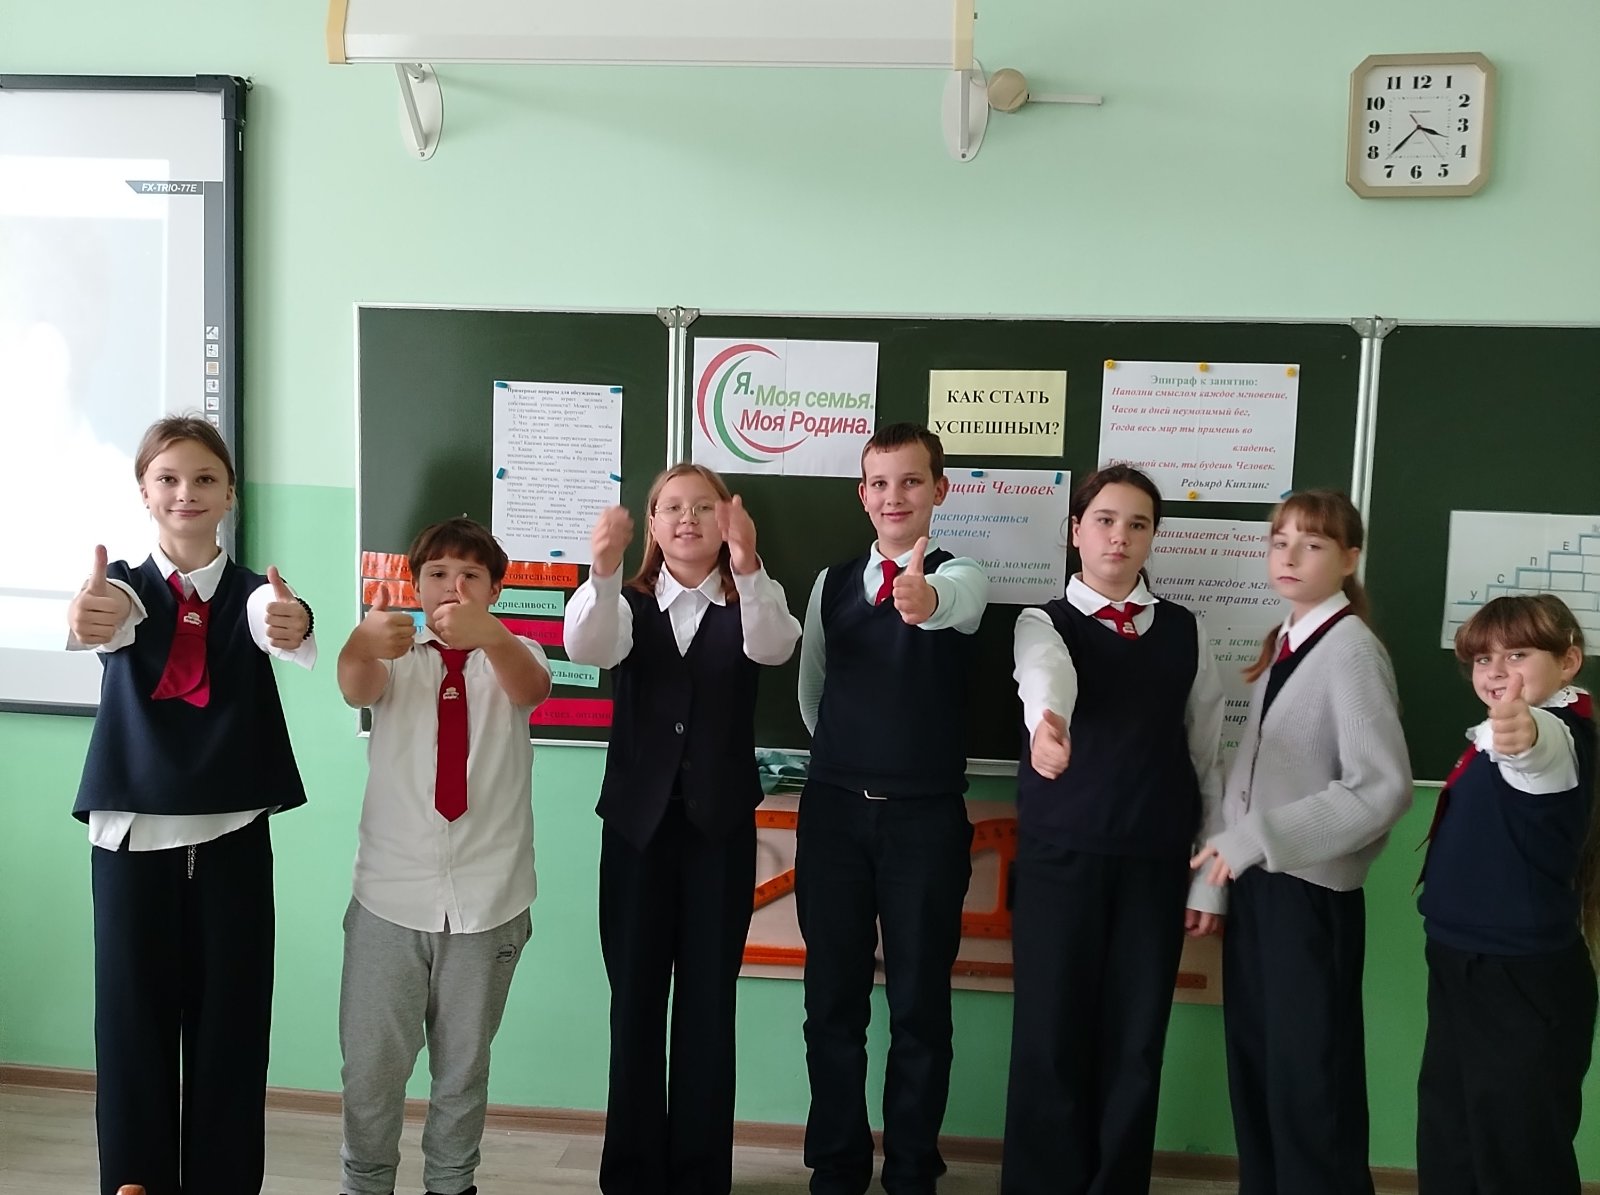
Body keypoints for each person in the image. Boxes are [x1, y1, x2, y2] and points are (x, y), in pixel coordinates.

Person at [68, 414, 315, 1195]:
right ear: (144, 491)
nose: (187, 492)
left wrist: (296, 620)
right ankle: (133, 1182)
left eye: (205, 477)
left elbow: (280, 623)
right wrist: (88, 612)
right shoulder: (123, 590)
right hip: (130, 840)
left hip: (231, 837)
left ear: (230, 493)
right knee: (131, 1029)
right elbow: (102, 616)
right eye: (168, 478)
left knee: (233, 1032)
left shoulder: (255, 596)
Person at [564, 463, 801, 1195]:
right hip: (636, 833)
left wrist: (749, 563)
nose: (688, 519)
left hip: (717, 833)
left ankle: (700, 1175)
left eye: (704, 506)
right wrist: (604, 569)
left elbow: (776, 646)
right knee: (635, 1002)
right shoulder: (621, 600)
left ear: (728, 520)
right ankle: (633, 1173)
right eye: (672, 507)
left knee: (707, 1004)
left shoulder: (754, 596)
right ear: (652, 523)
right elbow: (588, 647)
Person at [1003, 463, 1225, 1195]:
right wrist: (1049, 724)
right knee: (1050, 1036)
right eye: (1103, 520)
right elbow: (1047, 675)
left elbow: (1208, 759)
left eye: (1137, 524)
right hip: (1059, 858)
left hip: (1153, 862)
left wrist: (1208, 880)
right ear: (1075, 531)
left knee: (1135, 1042)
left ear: (1153, 537)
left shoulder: (1187, 632)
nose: (1119, 537)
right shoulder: (1043, 621)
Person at [1191, 489, 1412, 1195]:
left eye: (1312, 544)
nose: (1289, 555)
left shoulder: (1350, 650)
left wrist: (1258, 839)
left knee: (1312, 1088)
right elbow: (1247, 776)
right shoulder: (1289, 639)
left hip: (1310, 899)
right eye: (1279, 540)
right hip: (1263, 889)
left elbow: (1382, 788)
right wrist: (1215, 882)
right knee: (1260, 1073)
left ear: (1349, 559)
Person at [794, 422, 989, 1195]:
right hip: (835, 814)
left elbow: (954, 605)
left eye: (911, 481)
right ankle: (837, 1167)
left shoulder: (962, 575)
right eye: (880, 482)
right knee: (831, 1004)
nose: (894, 495)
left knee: (920, 1006)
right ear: (862, 494)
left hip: (924, 820)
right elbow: (813, 691)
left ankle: (912, 1170)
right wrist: (851, 760)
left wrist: (923, 597)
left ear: (939, 489)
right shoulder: (830, 583)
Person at [335, 516, 552, 1195]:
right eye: (437, 574)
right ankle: (365, 1183)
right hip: (389, 898)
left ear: (495, 589)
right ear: (416, 585)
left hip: (490, 900)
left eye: (470, 576)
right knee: (371, 1068)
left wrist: (493, 637)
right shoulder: (393, 650)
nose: (453, 587)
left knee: (462, 1069)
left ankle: (452, 1185)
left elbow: (531, 689)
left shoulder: (517, 651)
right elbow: (356, 685)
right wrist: (359, 642)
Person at [1416, 593, 1597, 1195]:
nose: (1495, 671)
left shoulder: (1557, 734)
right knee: (1451, 1135)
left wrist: (1521, 731)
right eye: (1482, 659)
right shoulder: (1494, 735)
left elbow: (1536, 751)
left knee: (1518, 1153)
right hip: (1459, 959)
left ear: (1568, 662)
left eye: (1517, 655)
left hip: (1519, 977)